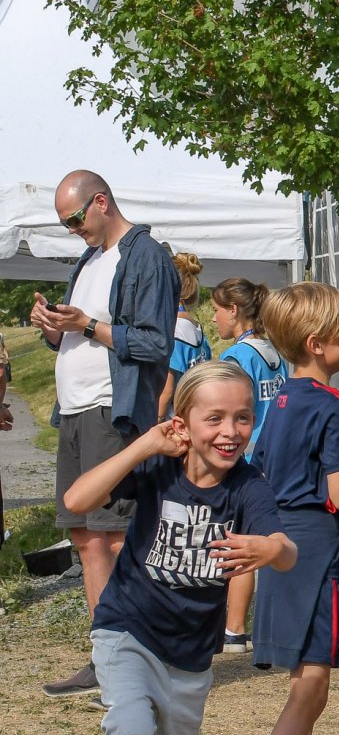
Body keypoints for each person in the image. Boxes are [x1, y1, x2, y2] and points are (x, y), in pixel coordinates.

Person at [62, 361, 296, 735]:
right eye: (214, 418)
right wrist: (144, 446)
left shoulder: (249, 486)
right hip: (128, 631)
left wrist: (272, 548)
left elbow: (287, 552)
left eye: (242, 418)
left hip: (191, 656)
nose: (230, 431)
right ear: (182, 425)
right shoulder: (158, 467)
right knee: (132, 734)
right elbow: (76, 500)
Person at [30, 170, 179, 698]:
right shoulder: (89, 259)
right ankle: (105, 657)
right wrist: (55, 329)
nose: (72, 230)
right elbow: (82, 336)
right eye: (64, 224)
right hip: (74, 413)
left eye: (74, 219)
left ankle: (134, 660)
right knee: (86, 536)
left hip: (111, 414)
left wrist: (87, 326)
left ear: (100, 201)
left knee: (115, 537)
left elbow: (155, 343)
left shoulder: (145, 256)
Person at [249, 281, 339, 735]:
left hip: (282, 540)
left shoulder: (280, 400)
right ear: (316, 344)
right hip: (317, 550)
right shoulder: (330, 404)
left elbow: (260, 471)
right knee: (311, 687)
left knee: (304, 681)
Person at [211, 277, 288, 652]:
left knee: (239, 542)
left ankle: (235, 630)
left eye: (216, 310)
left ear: (233, 310)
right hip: (275, 456)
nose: (213, 319)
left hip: (244, 460)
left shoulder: (238, 357)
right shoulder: (275, 352)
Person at [157, 253, 211, 421]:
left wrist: (155, 422)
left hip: (173, 420)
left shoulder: (174, 331)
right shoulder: (197, 329)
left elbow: (167, 391)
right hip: (194, 415)